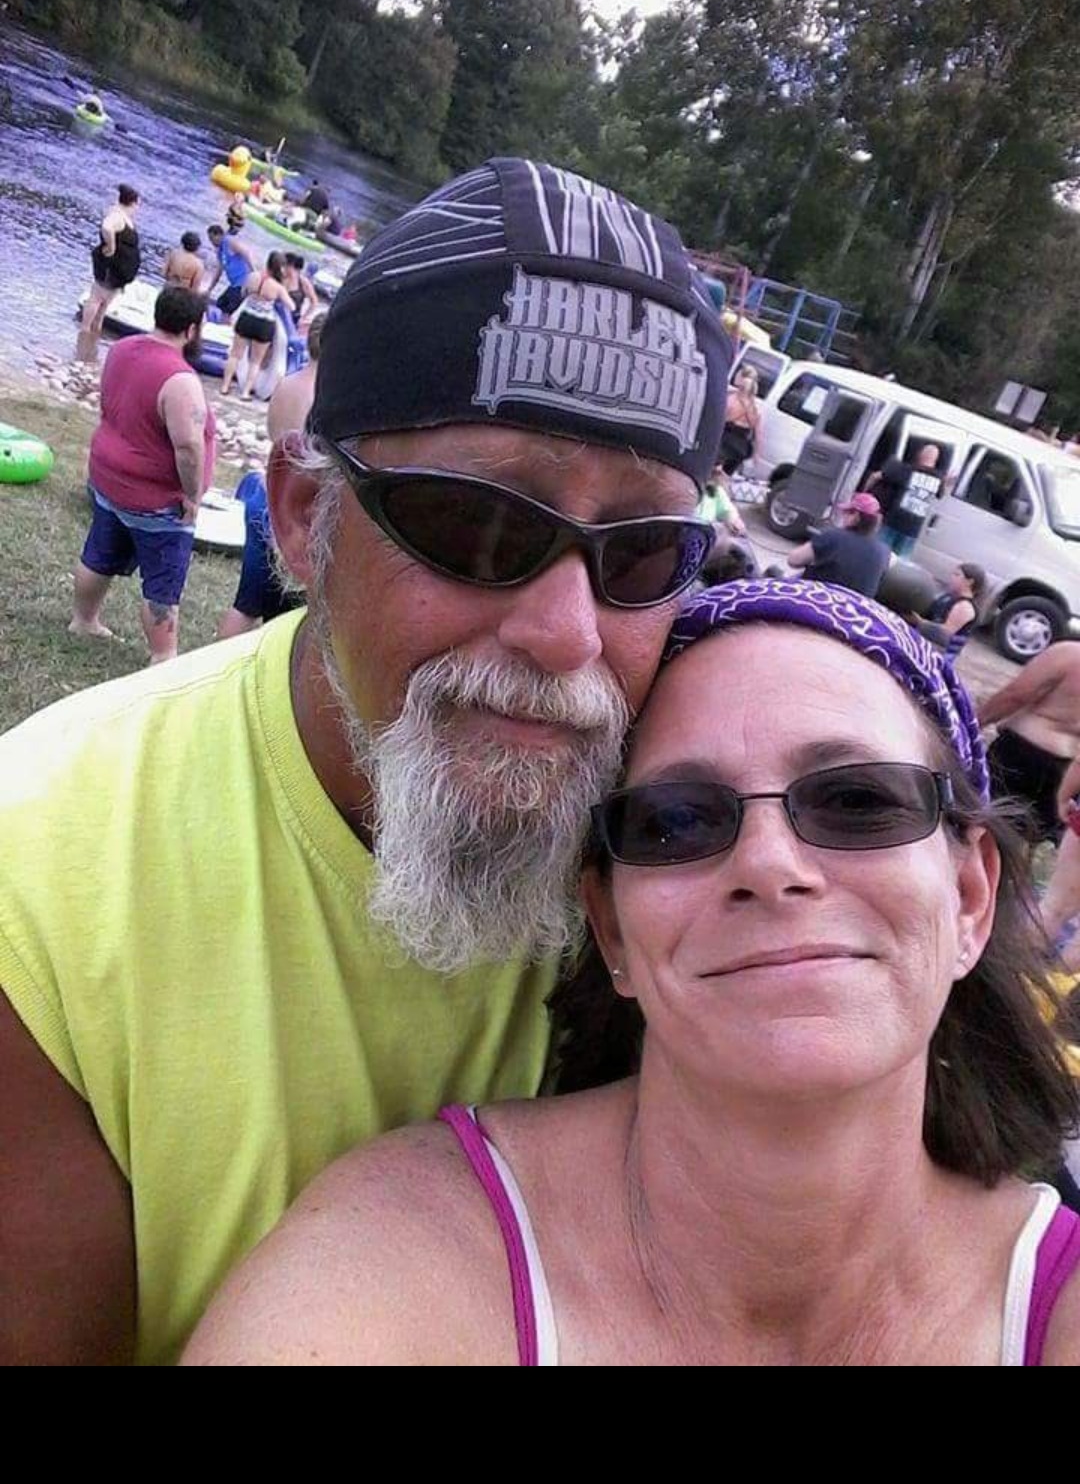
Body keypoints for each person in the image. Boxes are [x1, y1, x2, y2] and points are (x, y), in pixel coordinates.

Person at [0, 157, 729, 1363]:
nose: (569, 635)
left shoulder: (715, 847)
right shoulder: (46, 891)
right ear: (303, 517)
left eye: (641, 552)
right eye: (479, 525)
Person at [183, 579, 1080, 1366]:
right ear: (610, 925)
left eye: (856, 800)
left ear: (969, 895)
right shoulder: (405, 1258)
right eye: (678, 821)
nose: (770, 864)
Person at [69, 285, 216, 664]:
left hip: (108, 478)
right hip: (155, 500)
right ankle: (163, 656)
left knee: (98, 554)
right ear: (192, 329)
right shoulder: (180, 380)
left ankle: (83, 620)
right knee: (163, 584)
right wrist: (192, 496)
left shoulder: (121, 349)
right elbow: (188, 448)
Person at [217, 315, 327, 641]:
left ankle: (217, 657)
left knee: (246, 603)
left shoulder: (286, 384)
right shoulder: (326, 397)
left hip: (266, 495)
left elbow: (272, 433)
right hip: (296, 509)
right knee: (295, 613)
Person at [979, 640, 1080, 846]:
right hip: (1065, 769)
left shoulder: (1070, 655)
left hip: (1021, 752)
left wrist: (976, 721)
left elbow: (1015, 695)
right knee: (1025, 839)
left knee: (983, 820)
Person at [77, 182, 141, 361]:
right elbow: (106, 227)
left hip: (120, 270)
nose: (138, 208)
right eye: (138, 204)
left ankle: (95, 332)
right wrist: (111, 246)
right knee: (97, 297)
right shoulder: (117, 216)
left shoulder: (124, 217)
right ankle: (85, 332)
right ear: (133, 203)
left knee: (105, 302)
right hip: (110, 266)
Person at [219, 252, 295, 400]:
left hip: (247, 317)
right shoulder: (278, 287)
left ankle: (225, 386)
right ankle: (245, 392)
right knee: (255, 361)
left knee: (235, 354)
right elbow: (291, 306)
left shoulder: (253, 276)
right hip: (264, 323)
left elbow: (243, 292)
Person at [785, 493, 890, 597]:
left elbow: (793, 560)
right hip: (853, 606)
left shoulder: (832, 536)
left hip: (818, 599)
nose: (843, 515)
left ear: (856, 516)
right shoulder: (884, 551)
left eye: (846, 512)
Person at [865, 441, 946, 558]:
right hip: (913, 529)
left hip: (893, 522)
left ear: (920, 455)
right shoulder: (939, 479)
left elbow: (876, 476)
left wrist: (864, 492)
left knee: (876, 556)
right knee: (899, 564)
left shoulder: (909, 470)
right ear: (935, 460)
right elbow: (941, 495)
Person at [914, 563, 985, 659]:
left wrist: (918, 622)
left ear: (969, 582)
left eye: (957, 575)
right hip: (925, 645)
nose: (952, 577)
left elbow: (944, 632)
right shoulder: (949, 597)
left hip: (937, 656)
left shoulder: (965, 607)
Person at [213, 202, 258, 316]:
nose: (212, 243)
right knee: (219, 304)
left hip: (242, 284)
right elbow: (219, 271)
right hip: (235, 285)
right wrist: (209, 289)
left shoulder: (229, 240)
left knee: (226, 311)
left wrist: (255, 275)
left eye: (212, 239)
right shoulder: (222, 247)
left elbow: (247, 253)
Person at [717, 363, 762, 474]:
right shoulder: (755, 408)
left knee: (711, 473)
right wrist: (756, 455)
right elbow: (758, 436)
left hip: (723, 443)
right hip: (741, 449)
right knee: (725, 476)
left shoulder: (731, 399)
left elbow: (718, 421)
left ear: (741, 378)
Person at [283, 252, 318, 328]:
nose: (282, 268)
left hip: (292, 319)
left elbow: (314, 302)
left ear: (290, 266)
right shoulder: (280, 278)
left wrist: (303, 317)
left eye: (284, 265)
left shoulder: (303, 282)